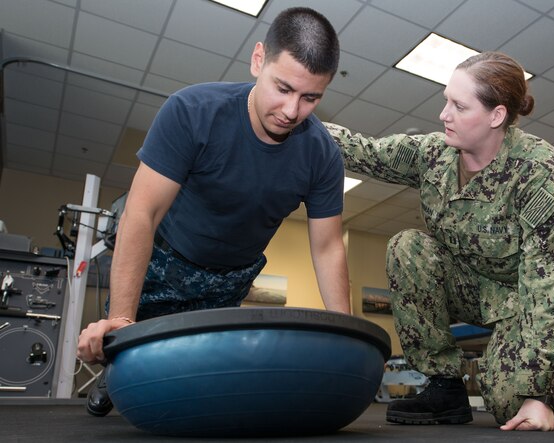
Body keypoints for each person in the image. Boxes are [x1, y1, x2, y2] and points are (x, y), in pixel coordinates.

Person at [77, 7, 350, 416]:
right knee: (132, 364)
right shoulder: (192, 111)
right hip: (165, 261)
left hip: (231, 278)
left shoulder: (322, 156)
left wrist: (345, 335)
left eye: (310, 98)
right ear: (259, 59)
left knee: (197, 380)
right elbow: (141, 214)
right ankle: (116, 384)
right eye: (283, 88)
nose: (292, 111)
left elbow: (328, 248)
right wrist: (121, 316)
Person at [325, 51, 554, 431]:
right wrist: (297, 117)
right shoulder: (434, 154)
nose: (444, 114)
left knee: (509, 404)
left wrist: (541, 394)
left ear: (496, 115)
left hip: (536, 294)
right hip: (477, 284)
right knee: (408, 247)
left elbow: (553, 283)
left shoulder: (539, 173)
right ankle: (445, 386)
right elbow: (366, 152)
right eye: (446, 101)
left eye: (459, 105)